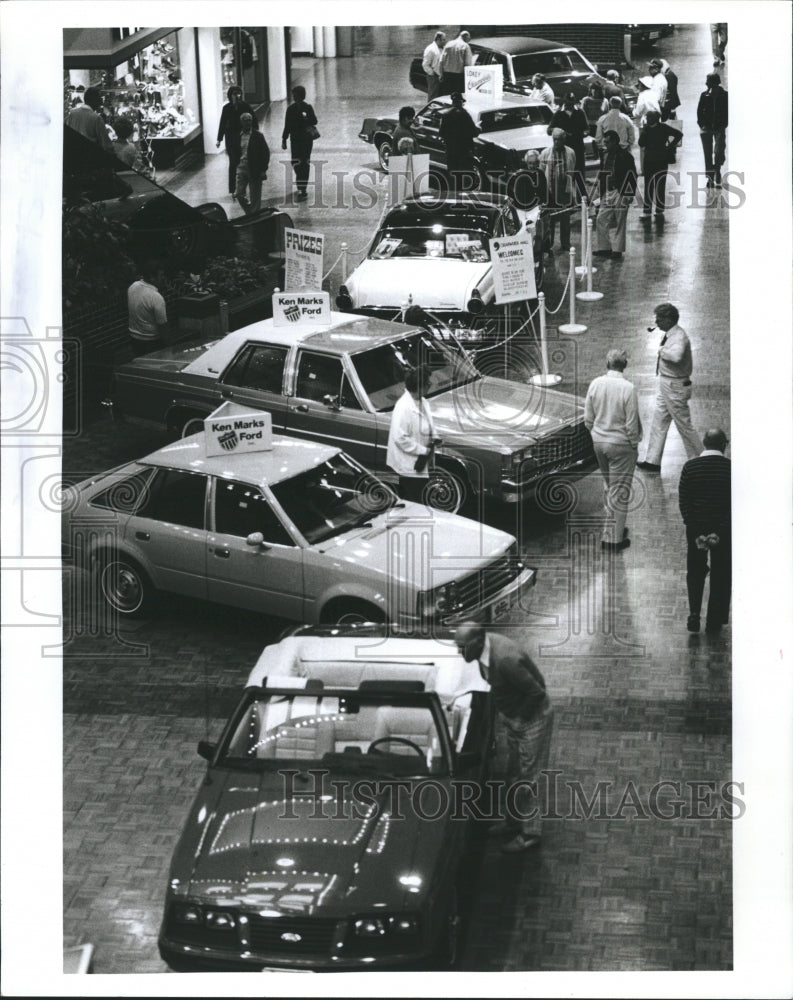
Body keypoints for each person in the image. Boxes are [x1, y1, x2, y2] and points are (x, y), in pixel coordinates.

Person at [454, 624, 553, 853]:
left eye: (463, 648)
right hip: (514, 717)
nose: (460, 653)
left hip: (532, 719)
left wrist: (521, 718)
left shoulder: (506, 659)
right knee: (514, 774)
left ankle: (530, 834)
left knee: (530, 778)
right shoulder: (482, 651)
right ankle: (513, 822)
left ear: (478, 641)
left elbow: (537, 692)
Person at [584, 349, 642, 550]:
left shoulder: (595, 384)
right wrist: (634, 444)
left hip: (599, 442)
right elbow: (631, 422)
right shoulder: (628, 388)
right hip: (621, 445)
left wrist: (596, 434)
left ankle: (611, 529)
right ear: (624, 366)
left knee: (609, 486)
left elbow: (588, 419)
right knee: (620, 491)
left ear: (607, 364)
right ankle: (613, 540)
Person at [638, 303, 704, 472]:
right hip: (667, 383)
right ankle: (652, 461)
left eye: (659, 318)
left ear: (668, 319)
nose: (656, 321)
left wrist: (661, 351)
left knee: (684, 425)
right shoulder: (671, 334)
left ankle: (701, 459)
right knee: (658, 421)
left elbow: (676, 356)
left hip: (675, 386)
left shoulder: (679, 337)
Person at [678, 429, 732, 633]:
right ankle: (714, 619)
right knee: (721, 573)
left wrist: (696, 531)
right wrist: (719, 532)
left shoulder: (690, 467)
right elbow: (733, 506)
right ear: (724, 445)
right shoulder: (731, 469)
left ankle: (693, 614)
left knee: (695, 571)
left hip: (696, 531)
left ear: (704, 443)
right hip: (722, 533)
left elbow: (684, 503)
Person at [386, 367, 439, 504]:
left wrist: (434, 435)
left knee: (418, 497)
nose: (430, 386)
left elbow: (428, 421)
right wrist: (423, 450)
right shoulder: (403, 407)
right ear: (419, 387)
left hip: (421, 460)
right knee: (414, 501)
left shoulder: (423, 402)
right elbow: (400, 438)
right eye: (427, 384)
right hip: (409, 465)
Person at [592, 130, 637, 260]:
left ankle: (617, 250)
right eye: (604, 142)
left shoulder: (626, 156)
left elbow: (632, 176)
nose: (605, 144)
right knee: (601, 218)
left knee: (620, 221)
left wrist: (629, 194)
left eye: (607, 142)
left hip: (620, 191)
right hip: (607, 191)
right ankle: (604, 248)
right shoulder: (605, 155)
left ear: (615, 142)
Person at [638, 109, 682, 219]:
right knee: (655, 184)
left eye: (649, 117)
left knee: (656, 184)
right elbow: (640, 143)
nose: (647, 119)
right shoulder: (658, 128)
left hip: (653, 159)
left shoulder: (657, 128)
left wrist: (670, 146)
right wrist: (669, 146)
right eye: (647, 117)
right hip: (657, 159)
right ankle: (657, 209)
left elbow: (679, 134)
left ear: (656, 118)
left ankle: (651, 209)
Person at [539, 129, 576, 251]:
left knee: (565, 218)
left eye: (559, 139)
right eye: (554, 139)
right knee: (550, 220)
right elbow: (541, 172)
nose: (556, 141)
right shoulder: (545, 153)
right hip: (550, 191)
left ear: (564, 139)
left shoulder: (570, 152)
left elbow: (573, 169)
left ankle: (565, 243)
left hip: (564, 190)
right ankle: (548, 244)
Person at [216, 86, 255, 197]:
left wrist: (254, 133)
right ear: (230, 96)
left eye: (239, 93)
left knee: (244, 162)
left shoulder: (245, 106)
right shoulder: (227, 108)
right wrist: (219, 138)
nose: (237, 96)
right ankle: (233, 189)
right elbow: (222, 123)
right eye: (234, 94)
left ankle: (242, 188)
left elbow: (254, 119)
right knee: (233, 163)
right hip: (231, 139)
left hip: (243, 137)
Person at [281, 85, 318, 201]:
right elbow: (287, 125)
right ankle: (300, 182)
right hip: (295, 140)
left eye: (295, 94)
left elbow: (314, 121)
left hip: (306, 140)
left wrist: (306, 118)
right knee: (295, 162)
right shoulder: (290, 109)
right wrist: (284, 139)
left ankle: (303, 188)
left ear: (301, 95)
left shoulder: (308, 107)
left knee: (305, 163)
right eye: (293, 94)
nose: (294, 96)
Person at [439, 91, 480, 194]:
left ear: (453, 102)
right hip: (464, 152)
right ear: (461, 102)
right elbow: (474, 132)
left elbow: (441, 133)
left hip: (451, 152)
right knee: (465, 178)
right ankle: (465, 198)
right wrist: (479, 128)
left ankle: (453, 196)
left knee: (453, 177)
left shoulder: (446, 115)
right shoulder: (465, 115)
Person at [127, 263, 169, 356]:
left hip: (134, 339)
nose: (163, 278)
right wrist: (168, 347)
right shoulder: (156, 297)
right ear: (152, 277)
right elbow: (163, 326)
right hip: (151, 341)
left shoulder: (133, 286)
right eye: (161, 275)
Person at [697, 73, 728, 188]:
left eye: (708, 81)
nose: (706, 83)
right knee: (707, 153)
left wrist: (724, 124)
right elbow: (699, 111)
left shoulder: (725, 96)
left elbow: (727, 112)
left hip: (719, 128)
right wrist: (701, 124)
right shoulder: (704, 95)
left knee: (719, 151)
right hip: (706, 128)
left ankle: (717, 169)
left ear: (714, 83)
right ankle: (710, 177)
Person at [234, 113, 270, 214]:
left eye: (250, 120)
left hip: (255, 169)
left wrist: (263, 169)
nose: (248, 122)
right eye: (245, 120)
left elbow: (265, 153)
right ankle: (250, 212)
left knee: (255, 196)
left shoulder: (258, 136)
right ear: (241, 122)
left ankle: (254, 215)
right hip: (241, 168)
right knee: (239, 193)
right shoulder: (237, 136)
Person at [548, 92, 588, 175]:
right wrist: (560, 132)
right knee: (565, 169)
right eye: (568, 103)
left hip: (578, 146)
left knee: (579, 169)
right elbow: (549, 130)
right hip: (564, 146)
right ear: (564, 102)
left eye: (572, 103)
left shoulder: (580, 112)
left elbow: (587, 129)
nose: (570, 106)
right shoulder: (558, 113)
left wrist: (583, 134)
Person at [65, 86, 114, 154]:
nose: (101, 102)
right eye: (100, 99)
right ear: (94, 100)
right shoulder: (96, 118)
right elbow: (107, 145)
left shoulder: (72, 114)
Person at [440, 29, 473, 95]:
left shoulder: (448, 44)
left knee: (447, 96)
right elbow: (468, 63)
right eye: (469, 38)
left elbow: (441, 61)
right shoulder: (465, 46)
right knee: (458, 97)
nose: (469, 40)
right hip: (459, 76)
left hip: (447, 75)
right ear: (465, 36)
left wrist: (441, 75)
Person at [422, 30, 446, 101]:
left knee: (441, 97)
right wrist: (433, 74)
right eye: (443, 40)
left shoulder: (443, 48)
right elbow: (425, 65)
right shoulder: (430, 49)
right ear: (438, 39)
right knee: (433, 96)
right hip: (434, 77)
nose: (445, 41)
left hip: (441, 76)